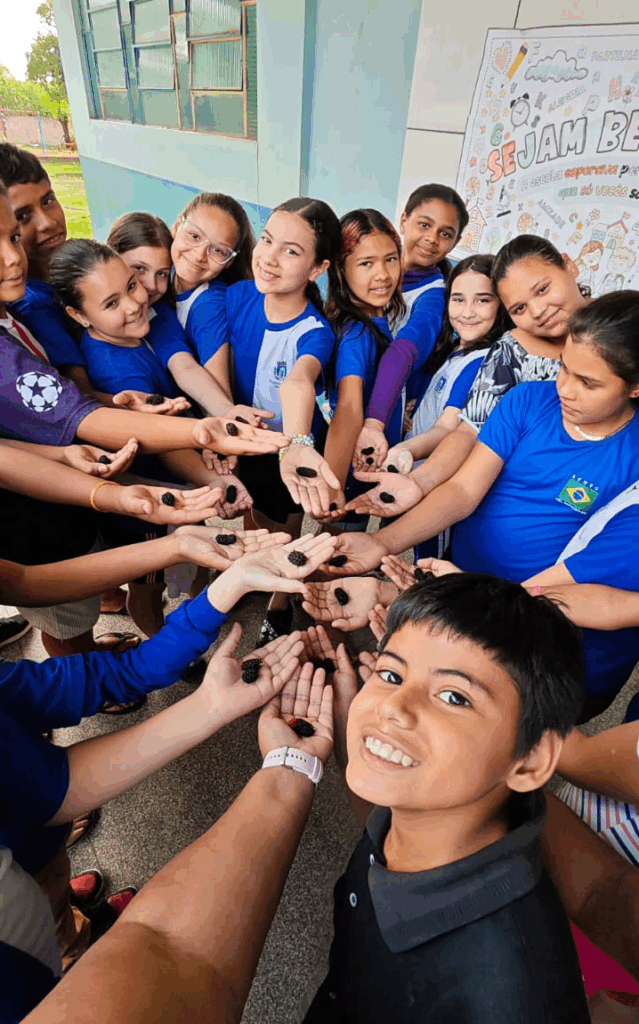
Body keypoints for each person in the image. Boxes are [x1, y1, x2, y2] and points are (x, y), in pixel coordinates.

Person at [19, 597, 639, 1024]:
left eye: (453, 695)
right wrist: (339, 748)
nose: (393, 708)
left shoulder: (505, 991)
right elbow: (384, 820)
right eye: (390, 675)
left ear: (532, 761)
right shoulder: (445, 813)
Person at [0, 530, 336, 1001]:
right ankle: (71, 948)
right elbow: (56, 790)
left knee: (48, 881)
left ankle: (68, 921)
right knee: (53, 940)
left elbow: (123, 672)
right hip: (25, 933)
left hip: (30, 844)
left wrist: (225, 588)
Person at [321, 292, 639, 715]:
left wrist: (453, 602)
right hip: (466, 585)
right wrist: (383, 544)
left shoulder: (633, 462)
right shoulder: (528, 400)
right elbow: (463, 492)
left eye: (589, 382)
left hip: (545, 637)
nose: (566, 388)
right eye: (564, 367)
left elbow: (588, 594)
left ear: (635, 385)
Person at [352, 235, 590, 519]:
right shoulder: (493, 353)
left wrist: (394, 439)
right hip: (468, 493)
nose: (538, 311)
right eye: (520, 307)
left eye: (542, 289)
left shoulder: (481, 360)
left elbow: (450, 428)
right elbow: (466, 430)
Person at [354, 254, 510, 534]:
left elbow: (448, 429)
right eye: (459, 299)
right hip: (415, 472)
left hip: (434, 482)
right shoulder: (454, 351)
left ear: (502, 305)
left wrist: (403, 449)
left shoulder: (482, 363)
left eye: (483, 300)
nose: (468, 311)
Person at [352, 183, 469, 469]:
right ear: (403, 220)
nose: (432, 238)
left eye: (445, 233)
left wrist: (376, 421)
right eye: (424, 224)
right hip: (348, 395)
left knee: (358, 498)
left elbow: (404, 351)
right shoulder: (375, 267)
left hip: (382, 411)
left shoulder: (433, 296)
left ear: (455, 242)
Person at [320, 208, 404, 525]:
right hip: (353, 475)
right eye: (366, 263)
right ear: (341, 270)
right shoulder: (357, 333)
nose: (382, 274)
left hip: (370, 468)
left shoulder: (379, 319)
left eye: (391, 259)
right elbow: (349, 408)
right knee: (340, 550)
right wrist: (333, 486)